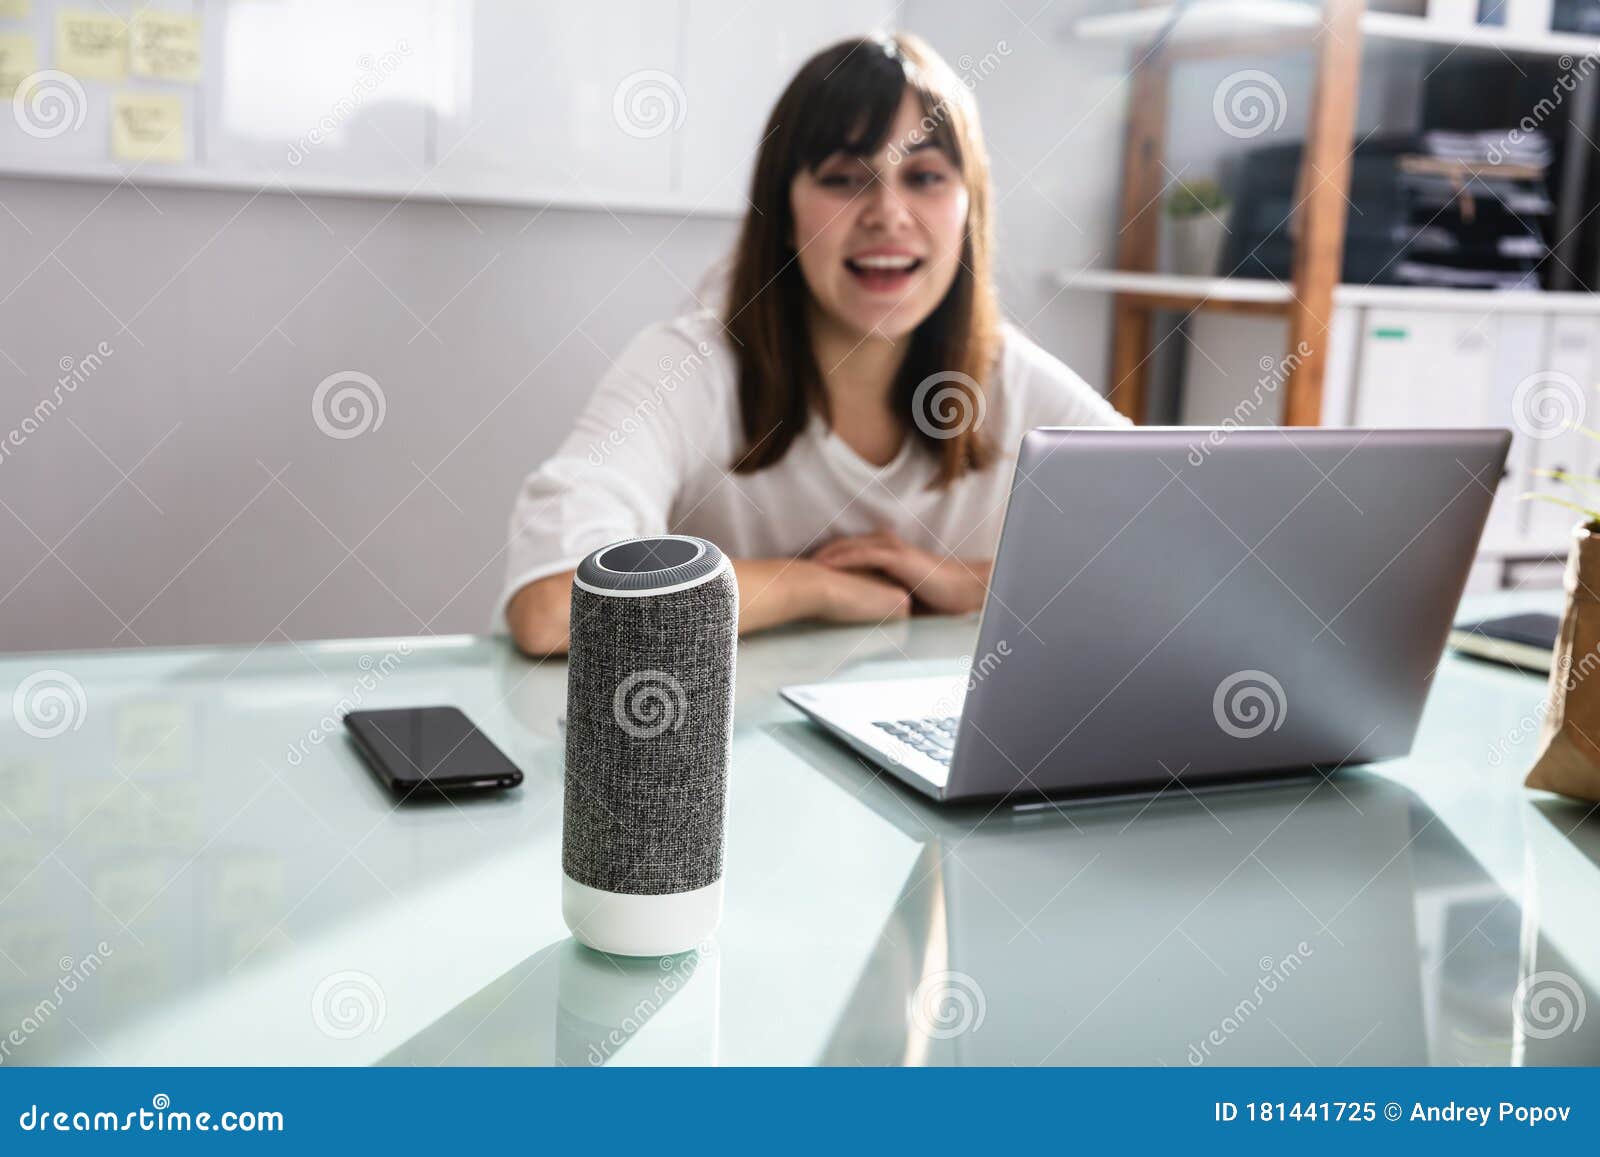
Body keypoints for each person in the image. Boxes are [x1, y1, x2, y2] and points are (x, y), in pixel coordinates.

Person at [501, 32, 1128, 656]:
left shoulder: (1006, 375)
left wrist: (975, 585)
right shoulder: (692, 366)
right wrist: (813, 586)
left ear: (971, 207)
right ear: (783, 208)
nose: (887, 213)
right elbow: (554, 608)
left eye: (925, 176)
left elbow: (1176, 558)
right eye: (844, 178)